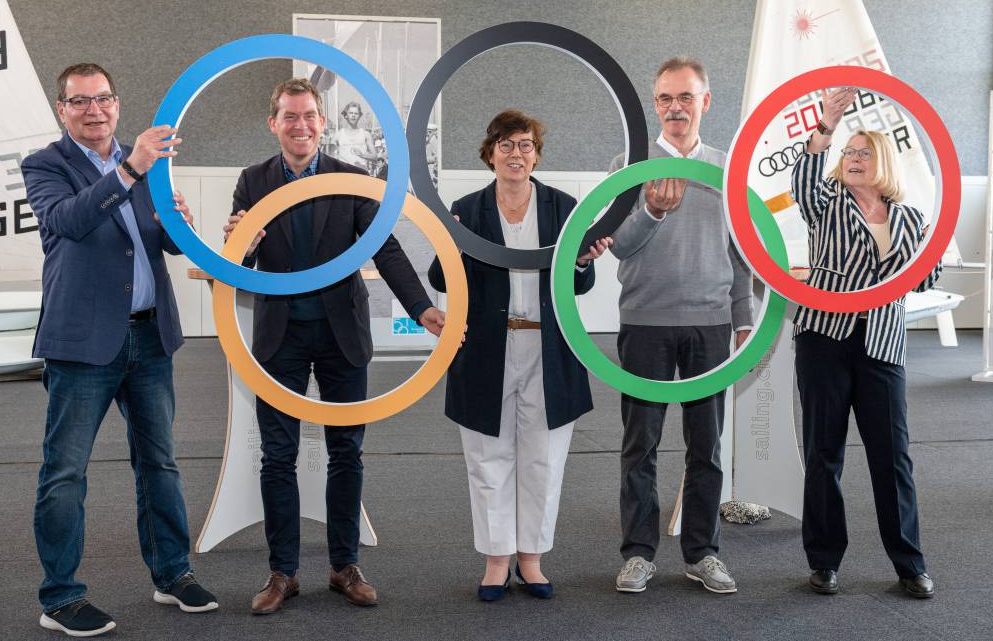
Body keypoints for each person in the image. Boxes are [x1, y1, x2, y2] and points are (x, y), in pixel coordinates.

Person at [224, 78, 445, 615]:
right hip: (280, 337)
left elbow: (385, 249)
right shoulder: (252, 181)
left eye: (309, 116)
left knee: (346, 452)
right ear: (273, 122)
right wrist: (240, 244)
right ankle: (283, 573)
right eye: (289, 116)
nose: (300, 125)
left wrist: (423, 310)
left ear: (322, 122)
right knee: (278, 456)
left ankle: (344, 566)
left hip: (341, 333)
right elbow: (238, 267)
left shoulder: (352, 178)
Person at [23, 63, 217, 637]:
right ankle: (59, 598)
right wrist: (130, 172)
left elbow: (154, 245)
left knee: (160, 462)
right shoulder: (45, 165)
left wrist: (179, 226)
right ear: (63, 110)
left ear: (117, 102)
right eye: (80, 101)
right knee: (65, 473)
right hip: (82, 345)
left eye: (103, 98)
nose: (94, 109)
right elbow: (68, 221)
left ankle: (172, 573)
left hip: (150, 336)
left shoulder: (146, 162)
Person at [427, 110, 610, 601]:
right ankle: (496, 560)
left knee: (543, 458)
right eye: (506, 145)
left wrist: (584, 262)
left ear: (537, 154)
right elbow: (441, 280)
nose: (516, 154)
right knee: (488, 456)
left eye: (525, 145)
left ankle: (531, 559)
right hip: (486, 347)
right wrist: (452, 241)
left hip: (550, 349)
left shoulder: (562, 206)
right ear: (490, 154)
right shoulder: (466, 208)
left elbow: (578, 283)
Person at [608, 57, 753, 595]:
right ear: (655, 105)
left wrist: (743, 319)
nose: (675, 108)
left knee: (707, 447)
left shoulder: (724, 168)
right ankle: (638, 553)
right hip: (645, 321)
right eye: (666, 98)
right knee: (639, 444)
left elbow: (740, 253)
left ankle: (703, 552)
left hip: (711, 325)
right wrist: (652, 211)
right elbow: (617, 245)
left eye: (686, 97)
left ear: (705, 102)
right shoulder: (629, 165)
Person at [791, 87, 940, 599]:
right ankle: (825, 561)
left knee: (892, 456)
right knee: (824, 454)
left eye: (863, 152)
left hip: (881, 344)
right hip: (824, 340)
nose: (853, 159)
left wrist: (928, 256)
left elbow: (922, 279)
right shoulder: (825, 202)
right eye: (848, 152)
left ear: (883, 163)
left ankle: (909, 563)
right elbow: (803, 179)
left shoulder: (911, 217)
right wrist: (826, 127)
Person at [335, 101, 377, 172]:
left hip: (361, 175)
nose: (353, 115)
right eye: (351, 113)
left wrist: (362, 155)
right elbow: (329, 156)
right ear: (346, 115)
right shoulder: (338, 135)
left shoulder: (366, 134)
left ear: (359, 116)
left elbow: (374, 157)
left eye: (356, 113)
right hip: (344, 175)